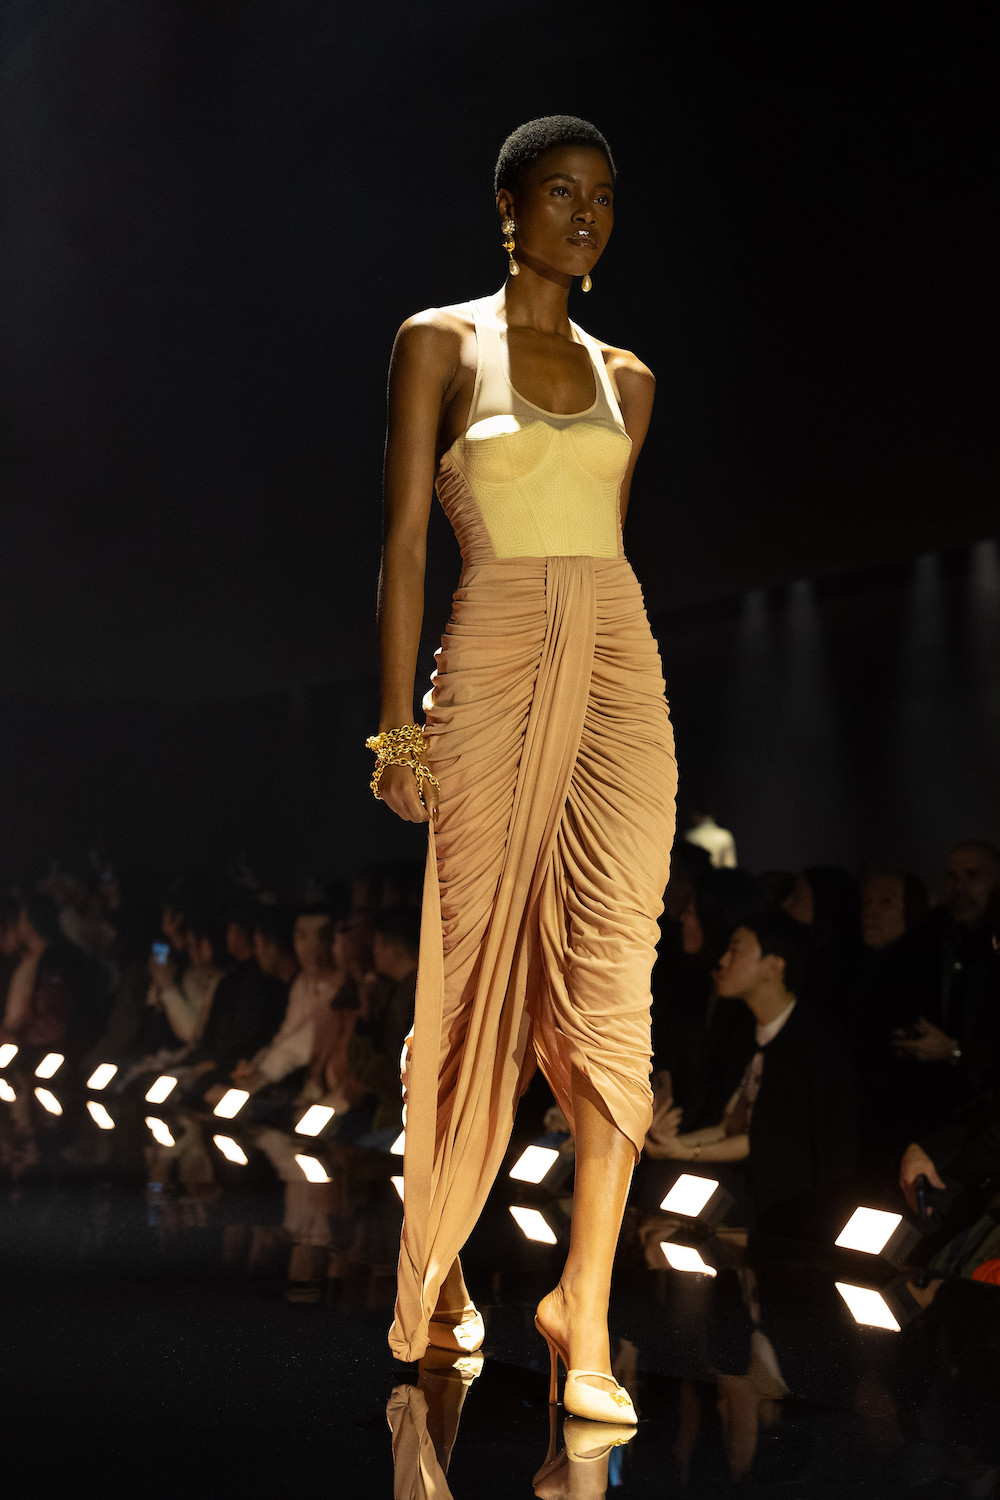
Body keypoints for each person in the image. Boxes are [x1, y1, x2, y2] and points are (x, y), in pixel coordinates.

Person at [371, 115, 677, 1421]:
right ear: (508, 205)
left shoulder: (631, 376)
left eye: (601, 196)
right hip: (491, 668)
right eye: (560, 192)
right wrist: (398, 731)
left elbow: (603, 548)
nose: (585, 214)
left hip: (617, 676)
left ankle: (581, 1309)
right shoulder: (440, 343)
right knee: (471, 977)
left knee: (613, 987)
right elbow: (403, 544)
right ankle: (439, 1258)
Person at [647, 912, 859, 1232]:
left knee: (671, 1184)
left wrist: (682, 1150)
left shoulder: (811, 1042)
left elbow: (764, 1138)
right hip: (752, 1182)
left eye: (736, 950)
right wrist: (671, 1144)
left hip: (792, 1201)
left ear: (774, 966)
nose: (722, 961)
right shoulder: (744, 1033)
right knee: (660, 1179)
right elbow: (732, 1125)